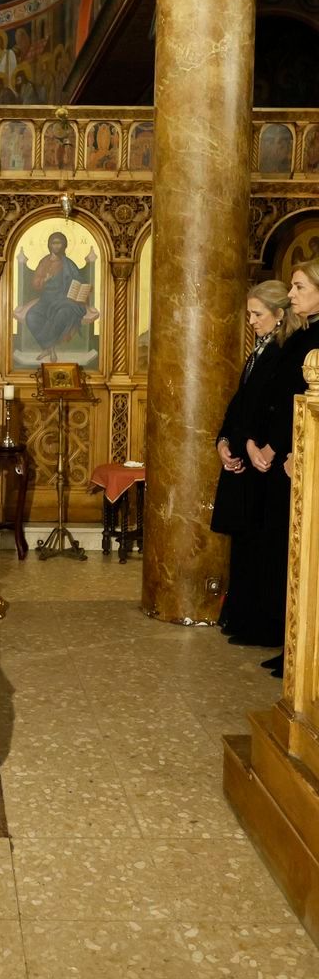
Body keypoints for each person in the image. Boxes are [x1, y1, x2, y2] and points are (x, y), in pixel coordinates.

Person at [210, 282, 298, 643]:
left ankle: (261, 624)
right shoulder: (259, 349)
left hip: (264, 462)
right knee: (245, 541)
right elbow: (241, 402)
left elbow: (273, 408)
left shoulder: (283, 353)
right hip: (246, 455)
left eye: (257, 314)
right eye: (249, 313)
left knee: (264, 546)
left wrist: (253, 443)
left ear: (279, 316)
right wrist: (225, 441)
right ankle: (242, 619)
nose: (251, 321)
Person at [247, 259, 319, 676]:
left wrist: (285, 448)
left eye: (298, 287)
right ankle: (292, 645)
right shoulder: (301, 336)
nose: (291, 295)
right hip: (289, 454)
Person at [15, 232, 98, 361]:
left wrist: (85, 287)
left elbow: (78, 279)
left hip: (65, 299)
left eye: (59, 243)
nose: (57, 246)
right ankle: (50, 348)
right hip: (46, 300)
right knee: (31, 316)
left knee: (62, 315)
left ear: (64, 245)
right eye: (54, 243)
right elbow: (35, 283)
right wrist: (44, 280)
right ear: (49, 245)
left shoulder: (68, 264)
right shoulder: (44, 262)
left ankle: (49, 348)